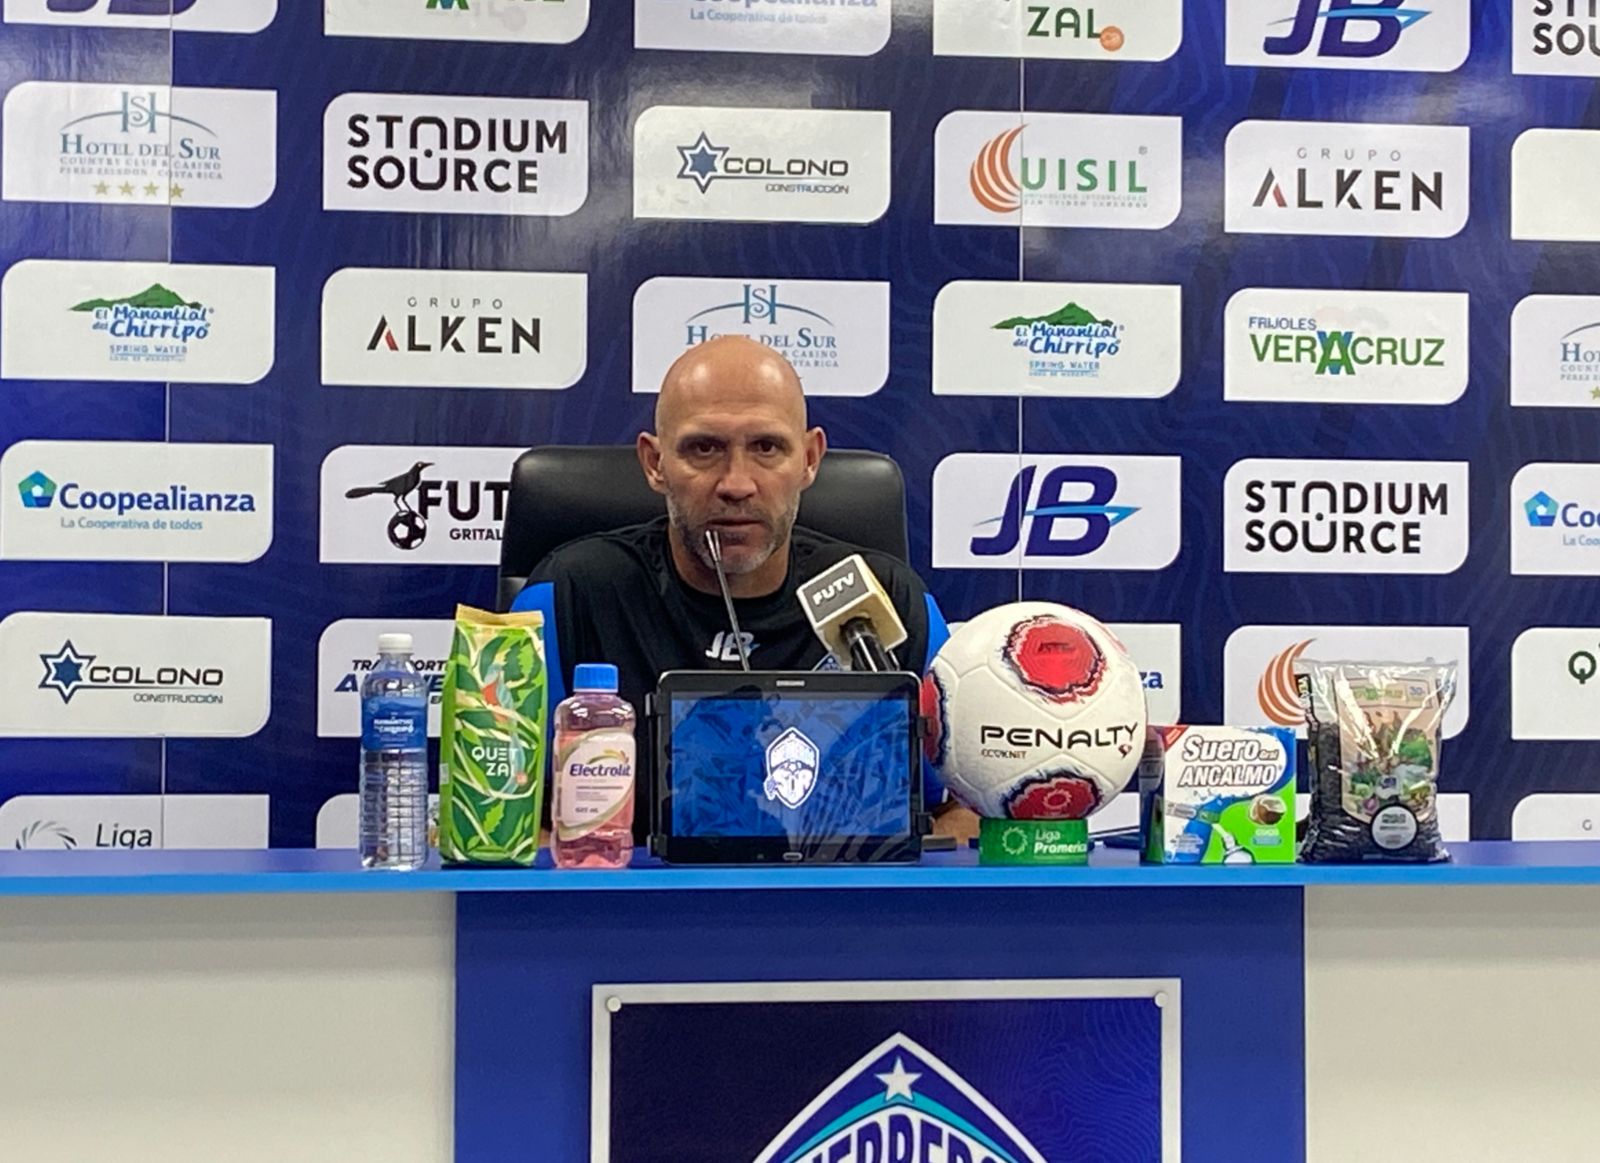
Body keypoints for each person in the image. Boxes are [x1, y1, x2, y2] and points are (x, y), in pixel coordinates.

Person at [513, 335, 974, 844]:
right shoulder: (568, 596)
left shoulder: (891, 601)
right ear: (655, 463)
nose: (736, 483)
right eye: (704, 448)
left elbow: (965, 811)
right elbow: (505, 820)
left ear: (810, 459)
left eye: (766, 448)